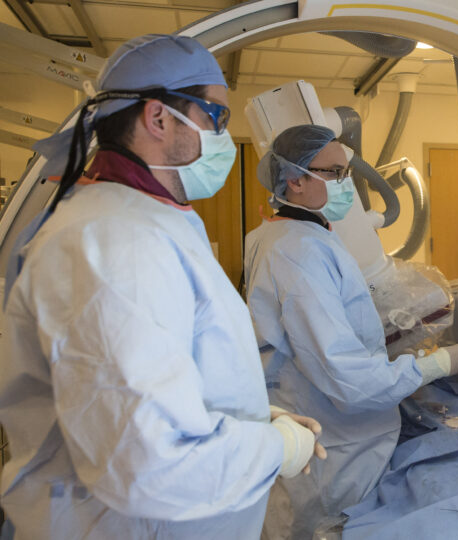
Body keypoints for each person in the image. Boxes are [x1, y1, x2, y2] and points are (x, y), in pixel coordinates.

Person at [0, 35, 325, 540]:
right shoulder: (110, 242)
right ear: (158, 118)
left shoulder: (149, 220)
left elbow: (170, 365)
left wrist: (258, 418)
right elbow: (147, 462)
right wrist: (278, 448)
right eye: (215, 117)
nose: (223, 134)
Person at [245, 124, 458, 538]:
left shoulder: (283, 234)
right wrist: (433, 366)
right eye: (333, 173)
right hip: (332, 447)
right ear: (294, 180)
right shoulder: (299, 251)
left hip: (315, 420)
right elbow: (343, 374)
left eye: (346, 173)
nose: (345, 184)